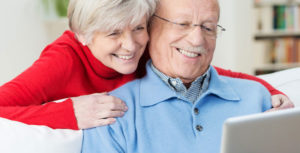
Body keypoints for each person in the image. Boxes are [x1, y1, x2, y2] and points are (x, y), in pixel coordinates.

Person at [80, 0, 290, 153]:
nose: (197, 40)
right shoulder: (111, 112)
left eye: (208, 28)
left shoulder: (258, 98)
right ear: (148, 28)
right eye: (182, 24)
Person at [0, 0, 293, 130]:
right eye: (114, 33)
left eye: (138, 28)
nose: (131, 46)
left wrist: (268, 89)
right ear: (84, 36)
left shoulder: (146, 50)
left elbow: (217, 73)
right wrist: (69, 111)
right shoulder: (63, 60)